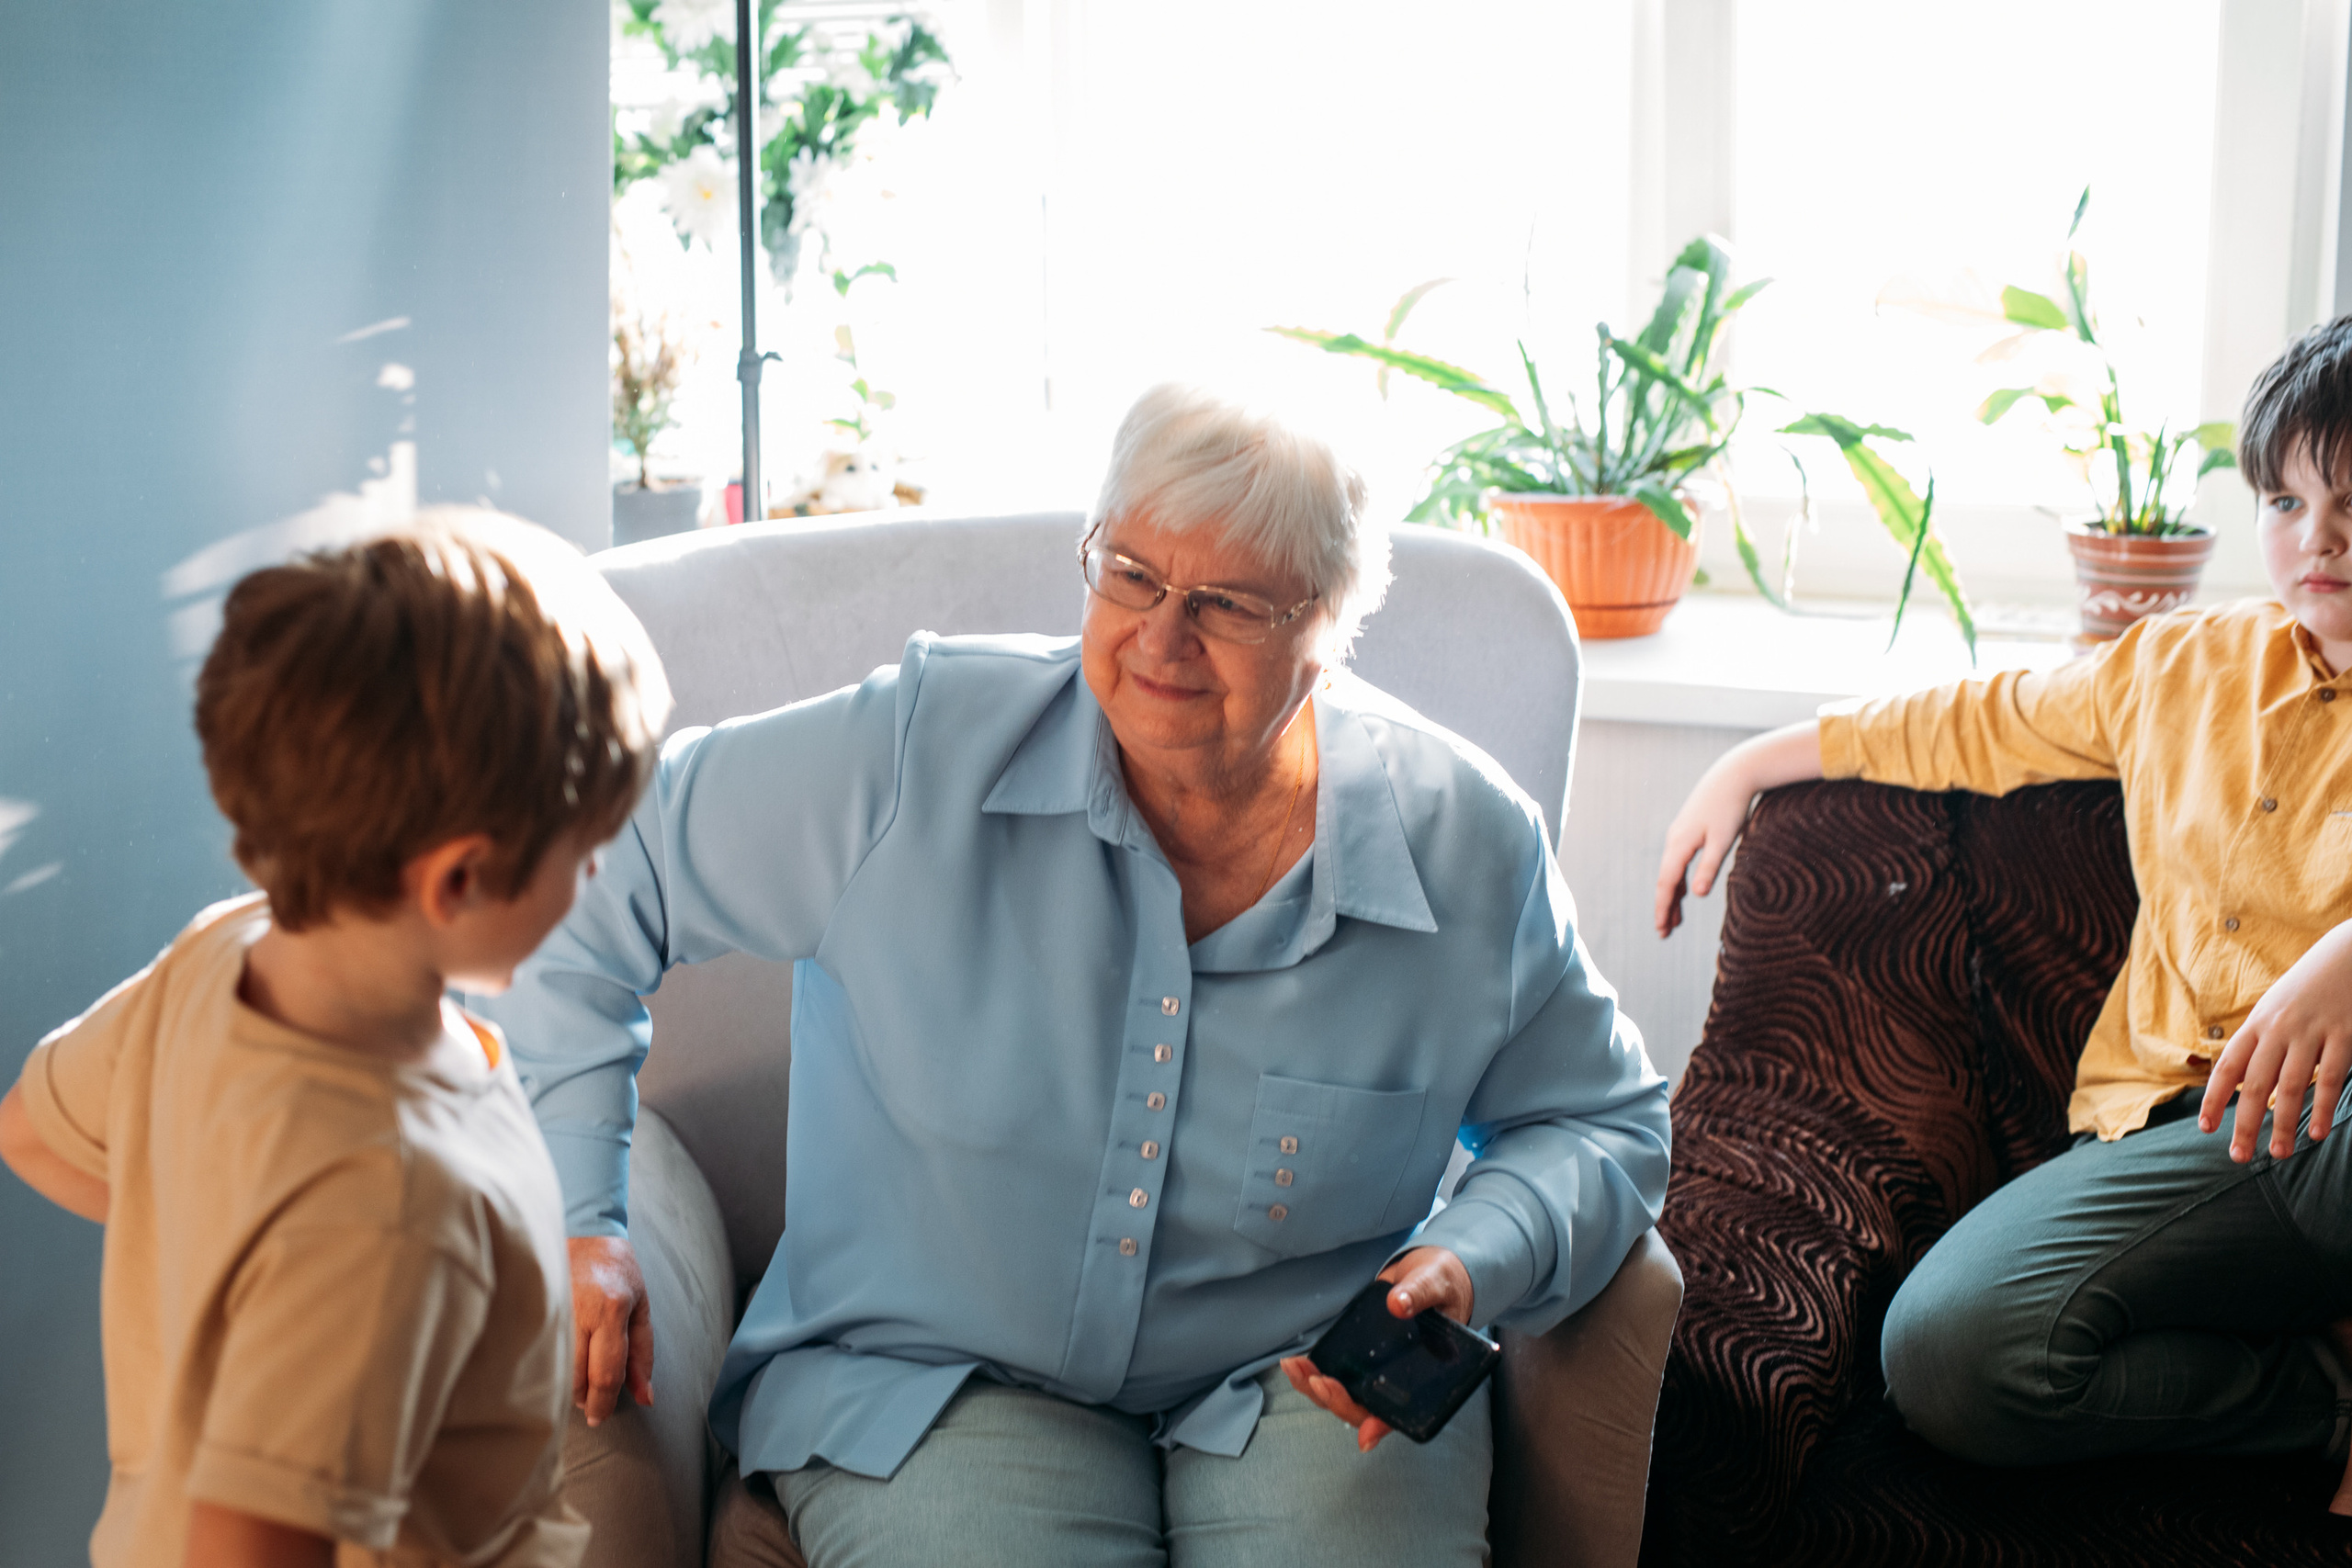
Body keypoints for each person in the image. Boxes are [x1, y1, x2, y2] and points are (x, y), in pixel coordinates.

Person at [479, 383, 1671, 1567]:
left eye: (1226, 603)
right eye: (1131, 574)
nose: (1161, 637)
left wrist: (1475, 1252)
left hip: (1305, 1377)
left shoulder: (1467, 845)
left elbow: (1601, 1122)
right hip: (939, 1377)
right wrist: (582, 1211)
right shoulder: (914, 752)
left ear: (1330, 623)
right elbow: (593, 867)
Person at [1655, 315, 2352, 1512]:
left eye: (2351, 501)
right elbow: (1977, 721)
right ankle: (2318, 1403)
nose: (2317, 537)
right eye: (2284, 500)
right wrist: (1749, 761)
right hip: (2183, 1129)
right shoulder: (2179, 666)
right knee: (1947, 1355)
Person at [0, 511, 673, 1568]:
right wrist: (305, 1264)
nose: (596, 880)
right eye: (585, 853)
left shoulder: (224, 952)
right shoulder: (386, 1205)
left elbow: (32, 1133)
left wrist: (235, 1264)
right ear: (459, 879)